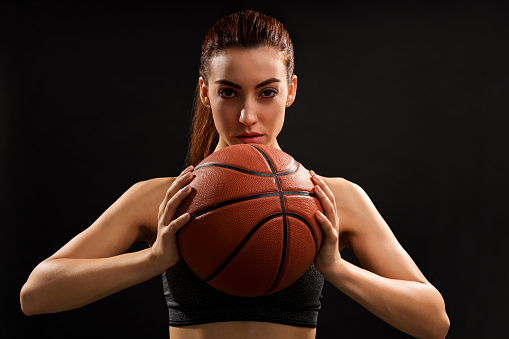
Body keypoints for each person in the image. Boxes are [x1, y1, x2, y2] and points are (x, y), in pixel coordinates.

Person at [20, 10, 450, 338]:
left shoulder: (334, 199)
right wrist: (152, 260)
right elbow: (36, 294)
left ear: (291, 90)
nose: (248, 116)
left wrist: (337, 268)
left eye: (267, 92)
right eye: (228, 92)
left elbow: (434, 321)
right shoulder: (163, 199)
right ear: (206, 93)